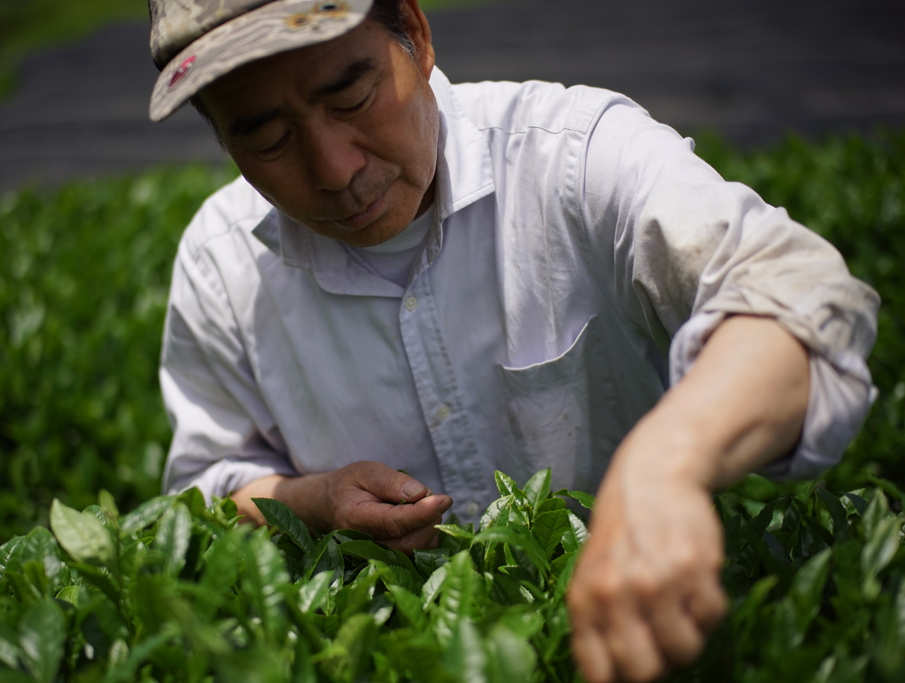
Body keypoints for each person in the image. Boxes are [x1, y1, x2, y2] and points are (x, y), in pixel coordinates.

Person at [147, 1, 879, 681]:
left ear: (413, 32)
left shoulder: (574, 158)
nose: (336, 169)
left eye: (352, 97)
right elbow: (203, 489)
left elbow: (798, 298)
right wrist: (316, 499)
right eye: (269, 137)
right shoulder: (222, 264)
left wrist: (662, 467)